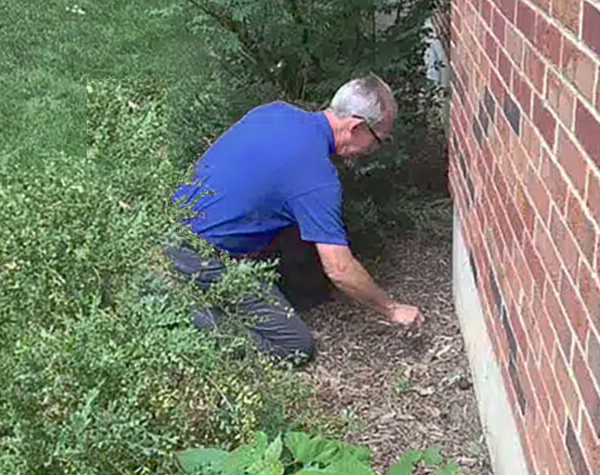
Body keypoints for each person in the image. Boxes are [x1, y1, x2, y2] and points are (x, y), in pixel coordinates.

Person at [165, 73, 423, 364]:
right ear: (356, 127)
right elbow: (339, 267)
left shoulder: (276, 111)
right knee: (294, 345)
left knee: (299, 230)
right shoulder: (315, 175)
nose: (373, 151)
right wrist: (392, 309)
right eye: (378, 141)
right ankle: (178, 313)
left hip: (170, 223)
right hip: (198, 255)